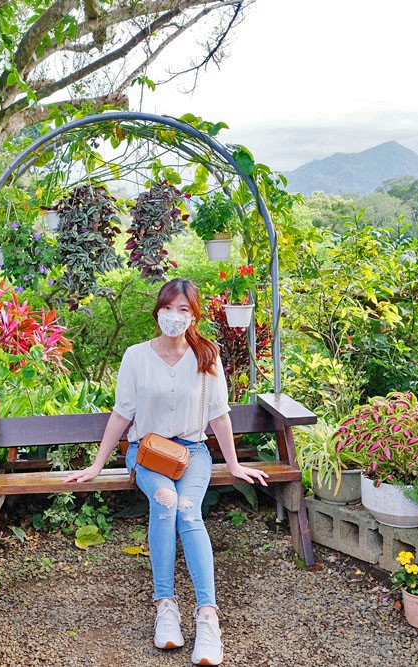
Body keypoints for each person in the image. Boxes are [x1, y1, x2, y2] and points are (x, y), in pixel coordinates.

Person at [63, 278, 268, 666]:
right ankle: (166, 606)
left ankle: (207, 618)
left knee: (188, 510)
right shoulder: (136, 356)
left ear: (194, 316)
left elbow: (219, 416)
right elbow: (123, 412)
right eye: (168, 308)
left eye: (183, 310)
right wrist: (96, 463)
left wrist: (235, 463)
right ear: (157, 310)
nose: (173, 317)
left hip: (193, 453)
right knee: (165, 499)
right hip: (146, 453)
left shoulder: (207, 355)